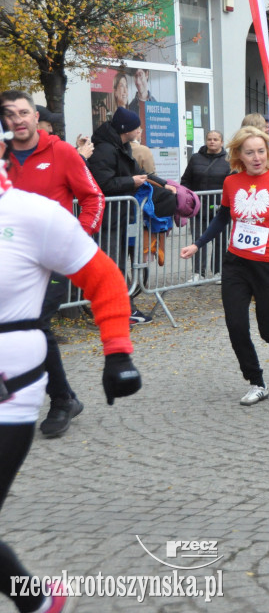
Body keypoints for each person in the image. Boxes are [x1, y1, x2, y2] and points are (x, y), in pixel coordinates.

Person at [0, 129, 142, 613]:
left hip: (10, 387)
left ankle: (38, 603)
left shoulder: (32, 214)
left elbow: (103, 278)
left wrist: (117, 353)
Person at [180, 126, 269, 405]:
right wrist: (198, 243)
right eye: (249, 152)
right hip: (237, 263)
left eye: (260, 151)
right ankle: (257, 381)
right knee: (236, 325)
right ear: (239, 155)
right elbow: (222, 218)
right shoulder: (232, 182)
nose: (256, 157)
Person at [2, 90, 106, 439]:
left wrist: (78, 237)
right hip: (12, 260)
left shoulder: (60, 152)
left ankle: (63, 400)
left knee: (35, 323)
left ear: (35, 117)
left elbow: (93, 197)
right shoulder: (2, 157)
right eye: (9, 114)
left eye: (23, 112)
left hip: (53, 258)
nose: (17, 119)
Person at [88, 106, 170, 325]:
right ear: (127, 129)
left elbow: (138, 172)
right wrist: (130, 182)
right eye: (137, 127)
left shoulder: (120, 146)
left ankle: (122, 309)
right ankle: (118, 312)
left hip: (120, 216)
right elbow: (102, 183)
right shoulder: (105, 149)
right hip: (108, 218)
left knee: (119, 265)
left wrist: (166, 185)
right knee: (112, 267)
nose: (140, 130)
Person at [181, 130, 231, 280]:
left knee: (221, 240)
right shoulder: (196, 158)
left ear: (222, 142)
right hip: (198, 207)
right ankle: (198, 273)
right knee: (198, 239)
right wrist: (188, 197)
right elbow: (186, 180)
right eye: (209, 139)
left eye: (216, 139)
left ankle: (218, 271)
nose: (212, 142)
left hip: (220, 207)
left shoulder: (229, 160)